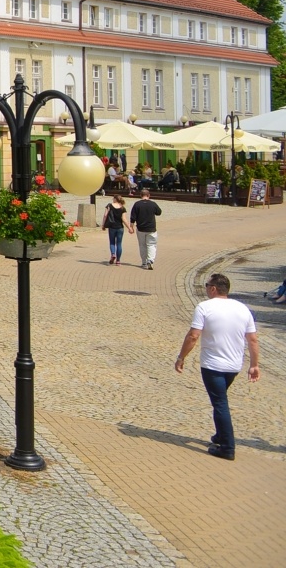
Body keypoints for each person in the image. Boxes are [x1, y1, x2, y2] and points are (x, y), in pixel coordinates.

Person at [174, 273, 260, 460]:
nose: (206, 288)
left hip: (212, 365)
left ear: (213, 288)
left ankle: (227, 448)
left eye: (207, 285)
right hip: (234, 366)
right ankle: (220, 436)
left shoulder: (204, 307)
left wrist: (181, 357)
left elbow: (193, 336)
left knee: (220, 403)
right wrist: (254, 365)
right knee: (220, 399)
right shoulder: (242, 309)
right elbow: (252, 339)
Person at [129, 186, 162, 270]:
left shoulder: (137, 204)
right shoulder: (153, 204)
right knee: (151, 245)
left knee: (142, 245)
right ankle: (150, 260)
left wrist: (131, 227)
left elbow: (133, 217)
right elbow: (159, 212)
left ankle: (144, 262)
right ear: (149, 195)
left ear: (140, 195)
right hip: (151, 228)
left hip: (140, 228)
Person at [102, 192, 128, 265]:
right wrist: (129, 228)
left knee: (112, 242)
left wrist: (103, 225)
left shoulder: (109, 205)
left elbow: (105, 215)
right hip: (120, 227)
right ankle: (118, 261)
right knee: (119, 244)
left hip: (112, 227)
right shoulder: (123, 208)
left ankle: (113, 254)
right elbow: (124, 219)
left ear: (115, 199)